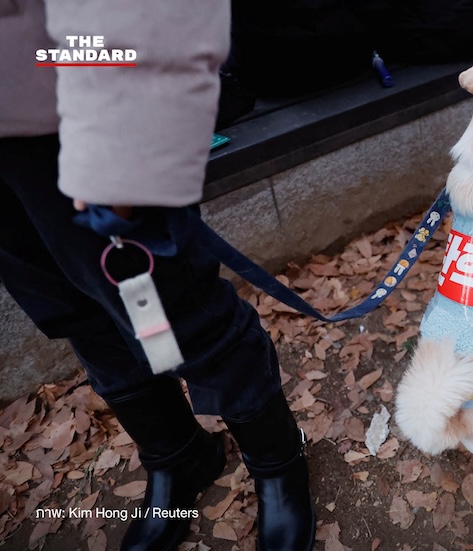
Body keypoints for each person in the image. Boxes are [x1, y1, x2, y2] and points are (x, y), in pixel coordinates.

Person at [0, 1, 315, 550]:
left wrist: (124, 134)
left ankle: (277, 463)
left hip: (68, 101)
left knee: (181, 311)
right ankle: (179, 456)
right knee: (73, 310)